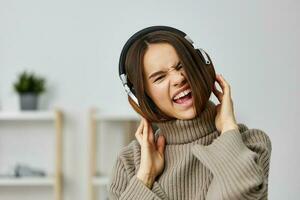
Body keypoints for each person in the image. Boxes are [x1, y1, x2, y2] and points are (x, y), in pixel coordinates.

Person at [108, 26, 272, 200]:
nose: (179, 78)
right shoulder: (130, 163)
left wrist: (229, 131)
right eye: (160, 77)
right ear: (143, 96)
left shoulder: (249, 144)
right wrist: (145, 177)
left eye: (182, 66)